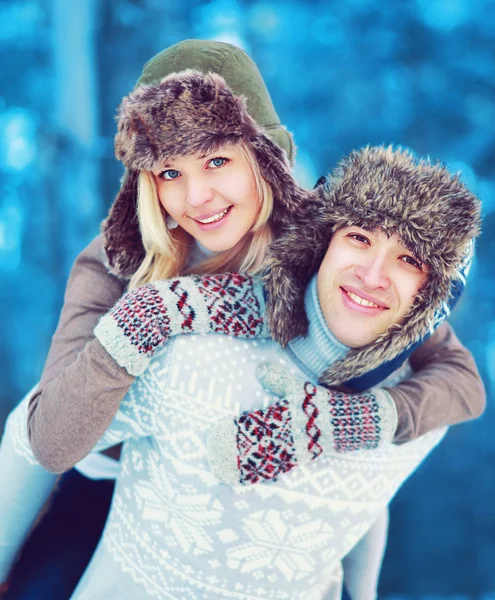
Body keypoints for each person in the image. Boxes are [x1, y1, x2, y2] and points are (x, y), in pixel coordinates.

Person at [0, 45, 482, 598]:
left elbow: (459, 380)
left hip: (256, 515)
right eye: (168, 172)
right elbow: (49, 440)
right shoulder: (117, 263)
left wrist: (349, 420)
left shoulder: (327, 245)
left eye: (216, 161)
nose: (195, 197)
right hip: (106, 482)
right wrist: (149, 317)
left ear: (263, 155)